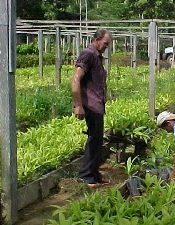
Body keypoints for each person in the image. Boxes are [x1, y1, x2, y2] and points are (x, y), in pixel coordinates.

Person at [71, 29, 112, 188]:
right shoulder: (87, 54)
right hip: (90, 104)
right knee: (94, 140)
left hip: (97, 105)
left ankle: (94, 174)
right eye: (105, 44)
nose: (106, 47)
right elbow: (75, 79)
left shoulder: (96, 56)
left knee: (97, 140)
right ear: (97, 39)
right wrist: (78, 105)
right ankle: (85, 177)